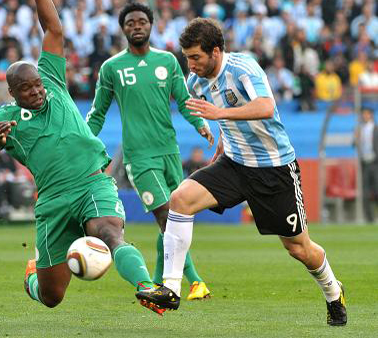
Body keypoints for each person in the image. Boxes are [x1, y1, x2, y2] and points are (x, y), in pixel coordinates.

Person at [0, 0, 162, 315]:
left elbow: (53, 29)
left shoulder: (53, 82)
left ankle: (147, 287)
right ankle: (32, 276)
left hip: (92, 181)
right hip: (53, 201)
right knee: (52, 296)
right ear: (12, 92)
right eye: (26, 89)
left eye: (38, 84)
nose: (37, 92)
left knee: (109, 232)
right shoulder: (0, 120)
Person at [136, 18, 347, 326]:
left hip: (274, 169)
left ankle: (332, 290)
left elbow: (265, 106)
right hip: (234, 164)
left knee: (299, 249)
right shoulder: (196, 81)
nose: (190, 65)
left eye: (196, 57)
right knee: (180, 199)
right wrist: (221, 144)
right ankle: (171, 288)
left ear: (216, 51)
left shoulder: (243, 68)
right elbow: (227, 118)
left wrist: (220, 114)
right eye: (187, 58)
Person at [86, 2, 213, 300]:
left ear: (151, 25)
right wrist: (82, 143)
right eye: (130, 23)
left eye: (142, 21)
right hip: (139, 156)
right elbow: (97, 113)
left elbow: (183, 100)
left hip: (169, 151)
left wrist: (201, 125)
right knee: (168, 216)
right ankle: (194, 281)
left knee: (175, 219)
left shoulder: (167, 62)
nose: (136, 26)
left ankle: (156, 281)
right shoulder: (112, 68)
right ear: (123, 29)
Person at [354, 107, 378, 223]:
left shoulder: (375, 128)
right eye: (363, 114)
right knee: (365, 191)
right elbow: (355, 144)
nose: (365, 116)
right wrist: (355, 138)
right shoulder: (360, 129)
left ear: (371, 115)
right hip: (364, 163)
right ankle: (370, 218)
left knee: (377, 189)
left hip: (375, 163)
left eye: (367, 114)